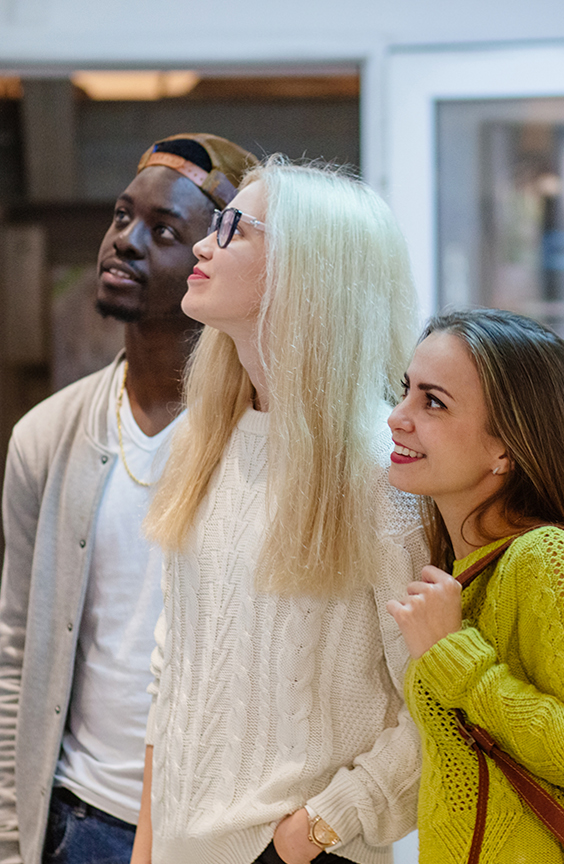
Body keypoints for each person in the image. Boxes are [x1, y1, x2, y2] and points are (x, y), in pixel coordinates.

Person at [134, 160, 428, 864]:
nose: (205, 244)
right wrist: (145, 847)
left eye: (234, 229)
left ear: (306, 269)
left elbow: (437, 704)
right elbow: (172, 671)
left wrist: (315, 830)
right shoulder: (209, 440)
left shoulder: (382, 470)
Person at [0, 134, 260, 864]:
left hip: (221, 830)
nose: (124, 243)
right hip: (81, 824)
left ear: (215, 255)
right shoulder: (45, 438)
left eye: (164, 230)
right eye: (120, 217)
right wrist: (11, 840)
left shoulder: (260, 440)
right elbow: (19, 655)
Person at [383, 308, 564, 864]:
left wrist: (458, 660)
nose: (397, 416)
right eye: (405, 391)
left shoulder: (548, 559)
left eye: (432, 402)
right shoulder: (469, 570)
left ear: (505, 448)